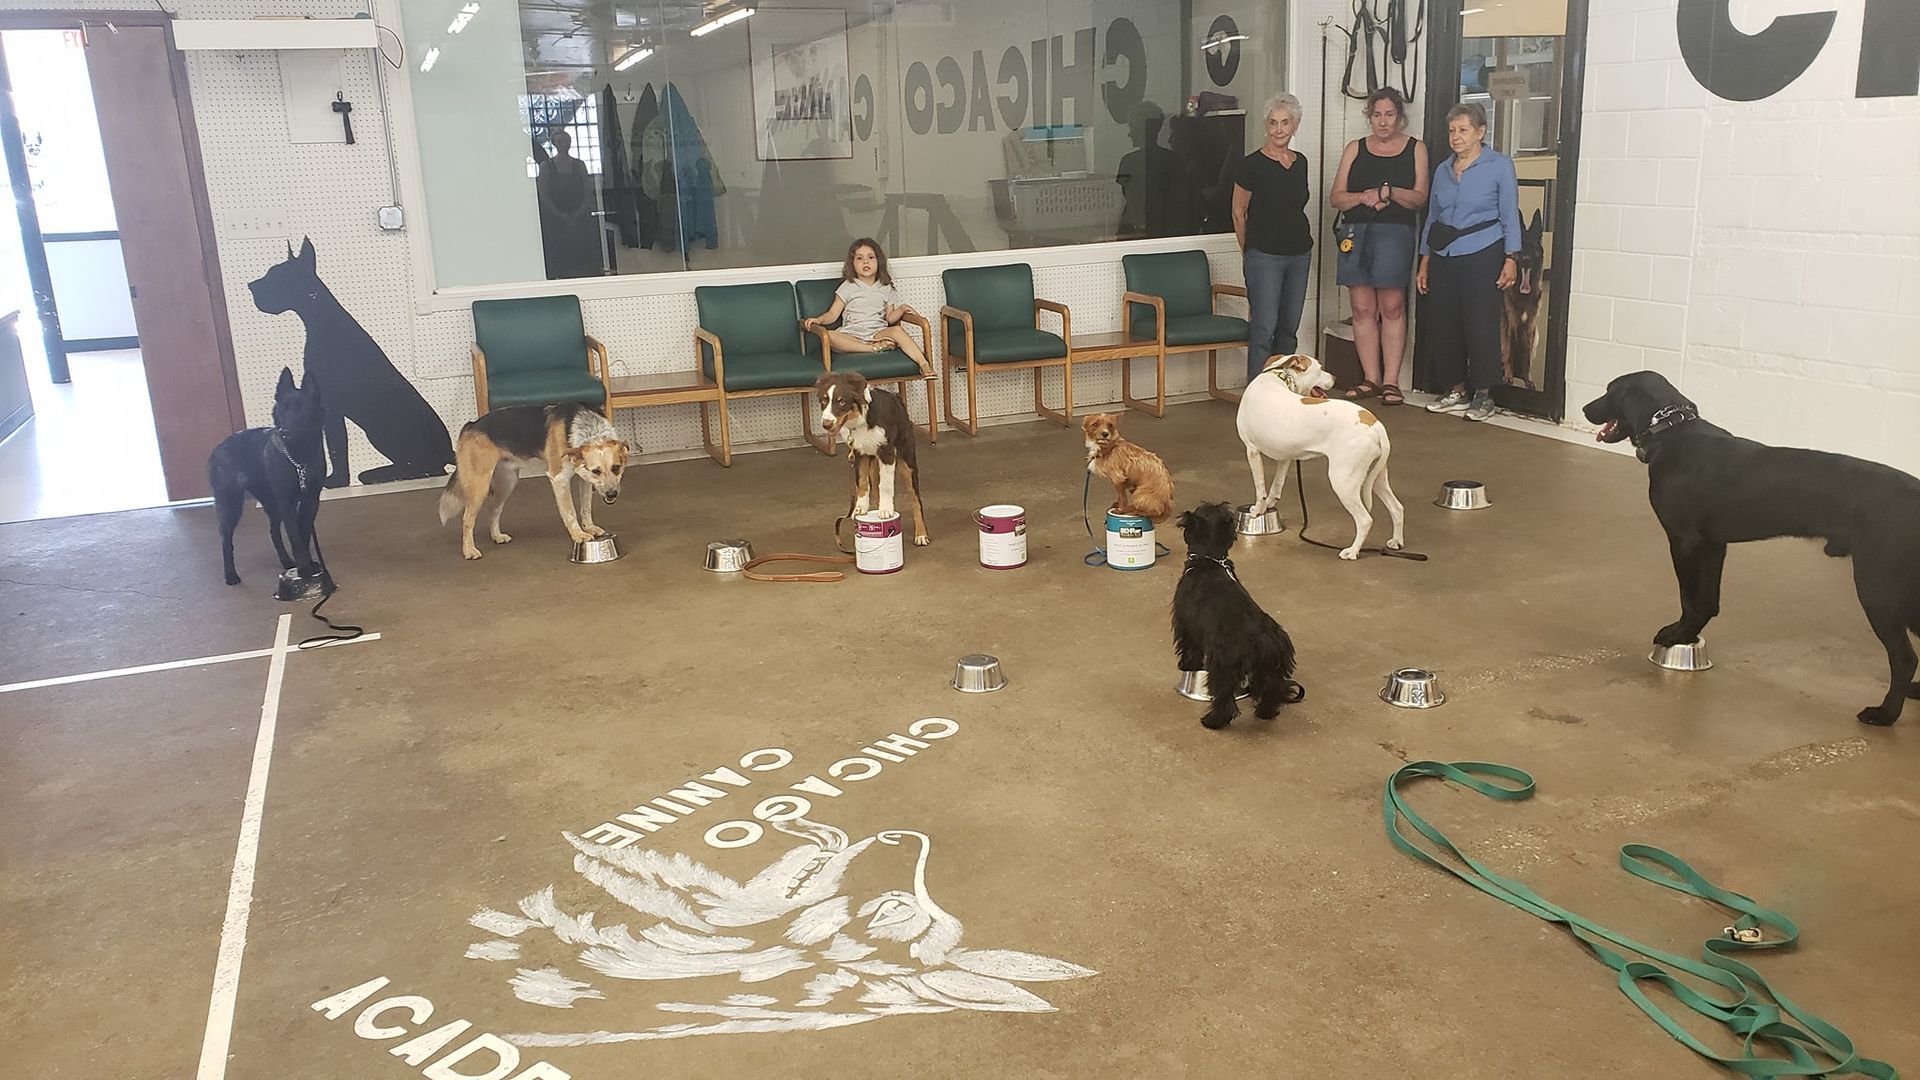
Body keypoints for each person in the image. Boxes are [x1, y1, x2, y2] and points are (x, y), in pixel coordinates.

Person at [1419, 102, 1522, 423]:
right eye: (1452, 130)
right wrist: (1424, 261)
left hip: (1483, 249)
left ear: (1480, 132)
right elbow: (1432, 218)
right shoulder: (1443, 170)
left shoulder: (1499, 165)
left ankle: (1484, 394)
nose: (1456, 136)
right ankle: (1456, 389)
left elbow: (1509, 214)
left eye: (1463, 130)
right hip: (1445, 254)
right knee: (1445, 322)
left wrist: (1511, 258)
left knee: (1480, 323)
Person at [1329, 88, 1428, 407]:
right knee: (1362, 308)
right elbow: (1336, 197)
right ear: (1369, 117)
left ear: (1399, 117)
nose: (1383, 122)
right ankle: (1370, 378)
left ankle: (1391, 381)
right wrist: (1364, 197)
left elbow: (1419, 197)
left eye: (1389, 115)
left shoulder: (1415, 148)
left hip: (1395, 232)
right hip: (1356, 232)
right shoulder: (1355, 148)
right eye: (1377, 115)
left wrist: (1389, 192)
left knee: (1392, 306)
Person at [1232, 94, 1313, 381]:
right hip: (1264, 256)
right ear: (1266, 126)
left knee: (1289, 329)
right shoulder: (1251, 164)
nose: (1279, 129)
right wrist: (1249, 253)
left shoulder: (1301, 162)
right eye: (1273, 123)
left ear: (1295, 126)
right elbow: (1238, 213)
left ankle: (1284, 388)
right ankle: (1258, 391)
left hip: (1299, 253)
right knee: (1264, 328)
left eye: (1285, 123)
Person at [802, 238, 931, 375]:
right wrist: (819, 320)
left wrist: (902, 309)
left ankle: (924, 365)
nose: (865, 262)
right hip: (852, 334)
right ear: (852, 264)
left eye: (870, 257)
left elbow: (889, 318)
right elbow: (832, 314)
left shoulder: (886, 288)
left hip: (877, 333)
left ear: (879, 261)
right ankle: (871, 348)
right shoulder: (847, 286)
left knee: (897, 331)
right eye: (859, 258)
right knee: (829, 336)